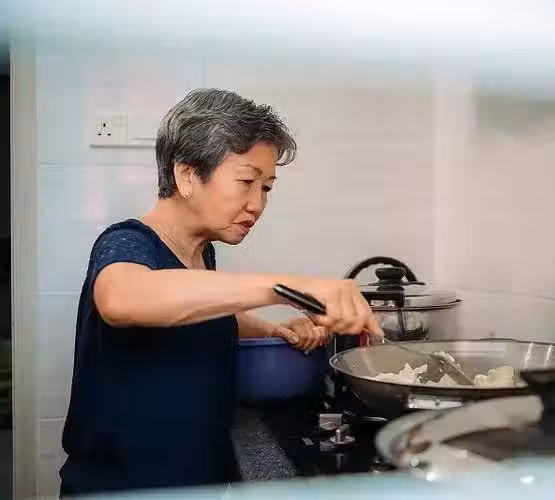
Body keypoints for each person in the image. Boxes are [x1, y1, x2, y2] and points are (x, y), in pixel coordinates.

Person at [59, 88, 382, 496]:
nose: (257, 204)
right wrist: (287, 288)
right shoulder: (127, 242)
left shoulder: (201, 252)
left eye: (266, 188)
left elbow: (198, 312)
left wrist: (270, 330)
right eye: (247, 181)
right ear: (187, 176)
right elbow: (122, 300)